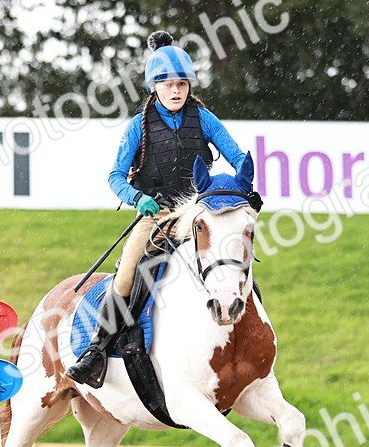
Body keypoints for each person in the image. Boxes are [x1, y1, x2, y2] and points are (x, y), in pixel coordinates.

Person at [66, 31, 249, 388]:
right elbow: (115, 175)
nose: (176, 90)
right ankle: (97, 350)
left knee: (232, 258)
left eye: (182, 83)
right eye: (167, 84)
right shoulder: (139, 126)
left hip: (198, 212)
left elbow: (237, 155)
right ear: (154, 87)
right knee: (127, 273)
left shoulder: (205, 118)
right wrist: (137, 199)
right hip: (157, 214)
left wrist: (243, 182)